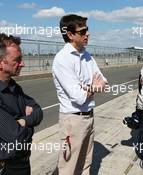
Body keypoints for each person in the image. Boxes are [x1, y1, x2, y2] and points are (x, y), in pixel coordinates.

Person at [0, 33, 43, 175]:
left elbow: (38, 111)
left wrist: (23, 121)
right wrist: (28, 126)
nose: (22, 63)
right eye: (17, 60)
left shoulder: (13, 86)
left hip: (22, 163)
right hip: (5, 168)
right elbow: (18, 137)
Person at [52, 14, 107, 175]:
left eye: (87, 30)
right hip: (72, 120)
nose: (87, 34)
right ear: (70, 35)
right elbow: (78, 96)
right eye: (82, 32)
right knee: (69, 168)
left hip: (89, 116)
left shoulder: (87, 56)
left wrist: (88, 88)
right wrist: (92, 87)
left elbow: (103, 83)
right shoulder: (62, 59)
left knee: (86, 163)